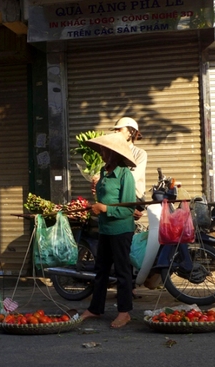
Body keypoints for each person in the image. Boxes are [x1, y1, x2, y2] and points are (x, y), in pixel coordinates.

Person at [79, 133, 137, 328]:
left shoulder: (124, 174)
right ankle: (95, 308)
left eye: (105, 150)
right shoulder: (104, 173)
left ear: (114, 153)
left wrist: (105, 209)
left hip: (121, 230)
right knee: (101, 271)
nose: (102, 153)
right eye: (102, 150)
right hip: (105, 229)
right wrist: (94, 205)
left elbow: (129, 208)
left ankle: (124, 312)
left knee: (122, 272)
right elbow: (103, 201)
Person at [111, 117, 147, 220]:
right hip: (115, 196)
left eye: (119, 129)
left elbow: (131, 179)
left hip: (133, 197)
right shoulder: (112, 153)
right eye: (115, 130)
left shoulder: (140, 154)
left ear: (130, 132)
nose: (116, 132)